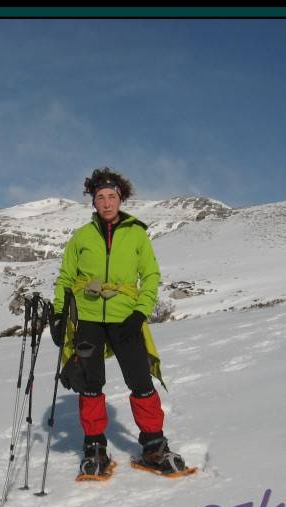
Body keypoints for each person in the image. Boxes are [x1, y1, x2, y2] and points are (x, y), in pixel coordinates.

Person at [50, 167, 187, 477]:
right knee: (90, 384)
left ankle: (153, 445)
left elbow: (150, 275)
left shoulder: (136, 233)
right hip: (86, 317)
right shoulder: (81, 237)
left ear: (121, 198)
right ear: (93, 202)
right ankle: (94, 447)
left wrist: (140, 312)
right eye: (101, 197)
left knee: (140, 380)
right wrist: (59, 315)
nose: (107, 203)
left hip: (126, 316)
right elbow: (65, 278)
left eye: (112, 196)